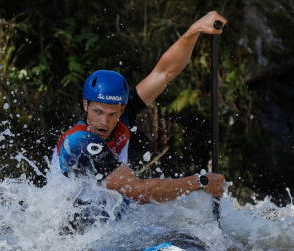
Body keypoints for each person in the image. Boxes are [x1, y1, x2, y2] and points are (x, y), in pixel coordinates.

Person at [54, 11, 227, 208]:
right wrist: (201, 182)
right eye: (97, 112)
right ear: (86, 105)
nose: (104, 122)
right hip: (76, 233)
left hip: (114, 224)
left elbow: (165, 72)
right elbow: (138, 191)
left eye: (112, 114)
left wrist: (194, 30)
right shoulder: (79, 142)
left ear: (122, 109)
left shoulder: (124, 116)